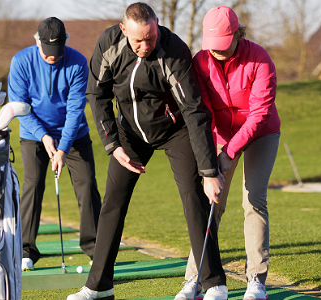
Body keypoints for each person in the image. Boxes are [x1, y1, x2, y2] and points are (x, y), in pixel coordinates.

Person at [67, 3, 227, 300]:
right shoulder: (108, 44)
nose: (145, 46)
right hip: (129, 133)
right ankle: (98, 286)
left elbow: (194, 110)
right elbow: (97, 93)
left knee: (194, 199)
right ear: (123, 29)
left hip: (174, 130)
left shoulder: (173, 50)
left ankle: (214, 283)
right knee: (112, 204)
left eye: (150, 38)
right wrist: (112, 144)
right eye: (138, 40)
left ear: (157, 26)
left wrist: (208, 172)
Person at [177, 6, 281, 300]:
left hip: (261, 133)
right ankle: (195, 278)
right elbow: (204, 110)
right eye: (213, 47)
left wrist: (231, 151)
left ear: (238, 34)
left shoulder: (260, 59)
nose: (218, 53)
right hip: (220, 135)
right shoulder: (200, 61)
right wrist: (215, 157)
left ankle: (256, 280)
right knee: (212, 202)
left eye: (224, 45)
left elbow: (259, 113)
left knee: (253, 200)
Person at [8, 17, 102, 271]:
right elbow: (20, 107)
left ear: (65, 43)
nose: (52, 57)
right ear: (37, 42)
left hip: (73, 133)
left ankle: (95, 249)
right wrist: (44, 136)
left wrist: (62, 148)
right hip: (33, 133)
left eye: (57, 52)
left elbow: (75, 110)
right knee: (33, 184)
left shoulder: (78, 62)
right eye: (47, 52)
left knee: (86, 185)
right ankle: (26, 249)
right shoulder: (21, 62)